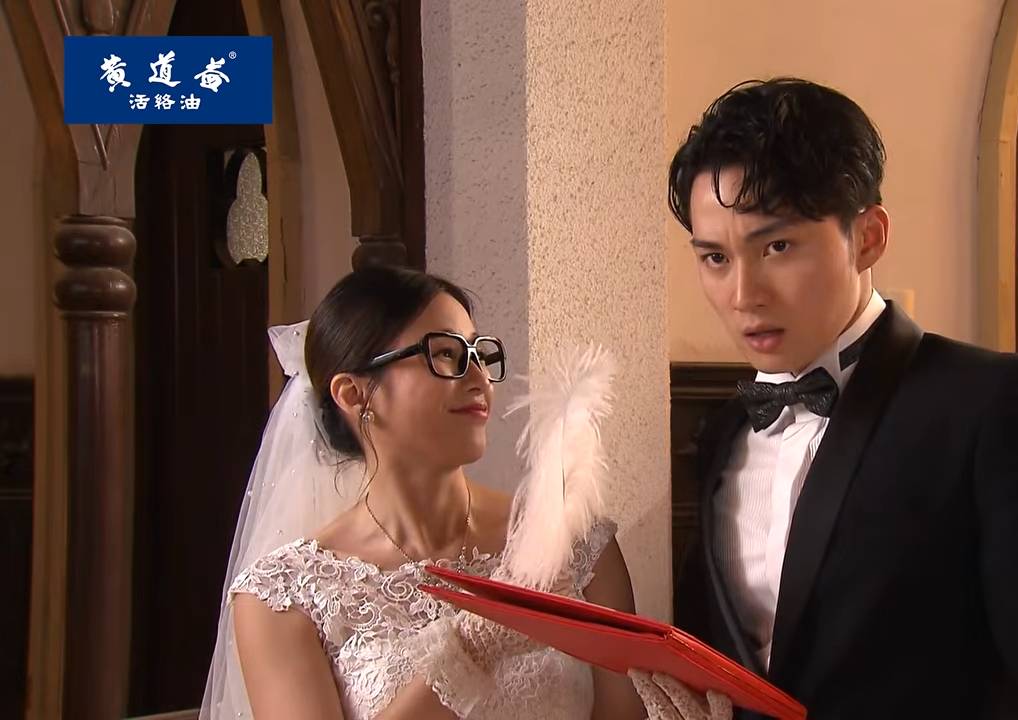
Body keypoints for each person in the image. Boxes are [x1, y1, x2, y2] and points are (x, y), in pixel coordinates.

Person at [668, 78, 1018, 719]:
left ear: (868, 237)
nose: (743, 295)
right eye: (715, 258)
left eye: (778, 247)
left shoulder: (1001, 408)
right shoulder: (725, 433)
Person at [200, 266, 681, 719]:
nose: (479, 379)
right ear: (353, 394)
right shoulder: (281, 596)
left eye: (478, 354)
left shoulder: (576, 544)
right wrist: (467, 651)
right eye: (446, 354)